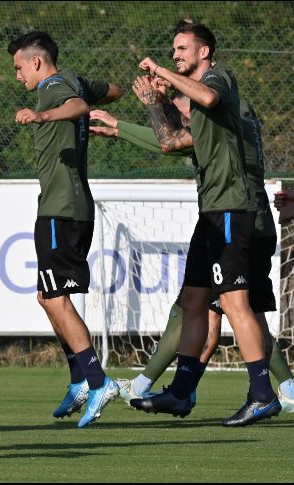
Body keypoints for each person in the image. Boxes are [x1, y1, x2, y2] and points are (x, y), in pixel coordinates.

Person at [91, 96, 294, 412]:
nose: (180, 106)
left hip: (235, 226)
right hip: (246, 225)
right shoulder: (227, 121)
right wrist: (124, 127)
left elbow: (170, 143)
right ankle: (267, 389)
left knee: (215, 311)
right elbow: (174, 139)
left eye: (182, 99)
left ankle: (176, 390)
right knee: (231, 312)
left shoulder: (221, 121)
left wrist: (124, 124)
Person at [130, 22, 280, 426]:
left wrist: (162, 72)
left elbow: (209, 95)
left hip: (233, 207)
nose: (176, 54)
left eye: (182, 48)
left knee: (234, 302)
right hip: (211, 211)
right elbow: (170, 140)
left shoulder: (219, 78)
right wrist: (156, 102)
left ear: (205, 52)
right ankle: (181, 393)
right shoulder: (197, 104)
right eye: (173, 49)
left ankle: (264, 394)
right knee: (195, 301)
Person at [7, 31, 123, 428]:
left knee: (56, 299)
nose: (18, 76)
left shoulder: (55, 86)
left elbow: (77, 106)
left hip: (62, 210)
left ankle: (97, 380)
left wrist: (43, 115)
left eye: (19, 67)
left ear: (36, 62)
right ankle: (78, 381)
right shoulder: (71, 78)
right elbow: (113, 90)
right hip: (64, 207)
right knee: (46, 295)